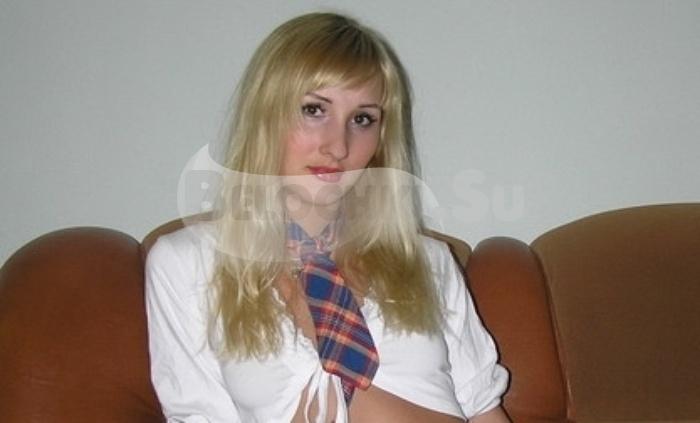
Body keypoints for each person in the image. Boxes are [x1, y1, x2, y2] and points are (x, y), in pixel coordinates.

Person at [145, 12, 510, 423]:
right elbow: (198, 415)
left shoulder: (429, 262)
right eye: (314, 110)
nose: (338, 146)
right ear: (265, 114)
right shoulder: (186, 263)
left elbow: (483, 409)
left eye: (363, 119)